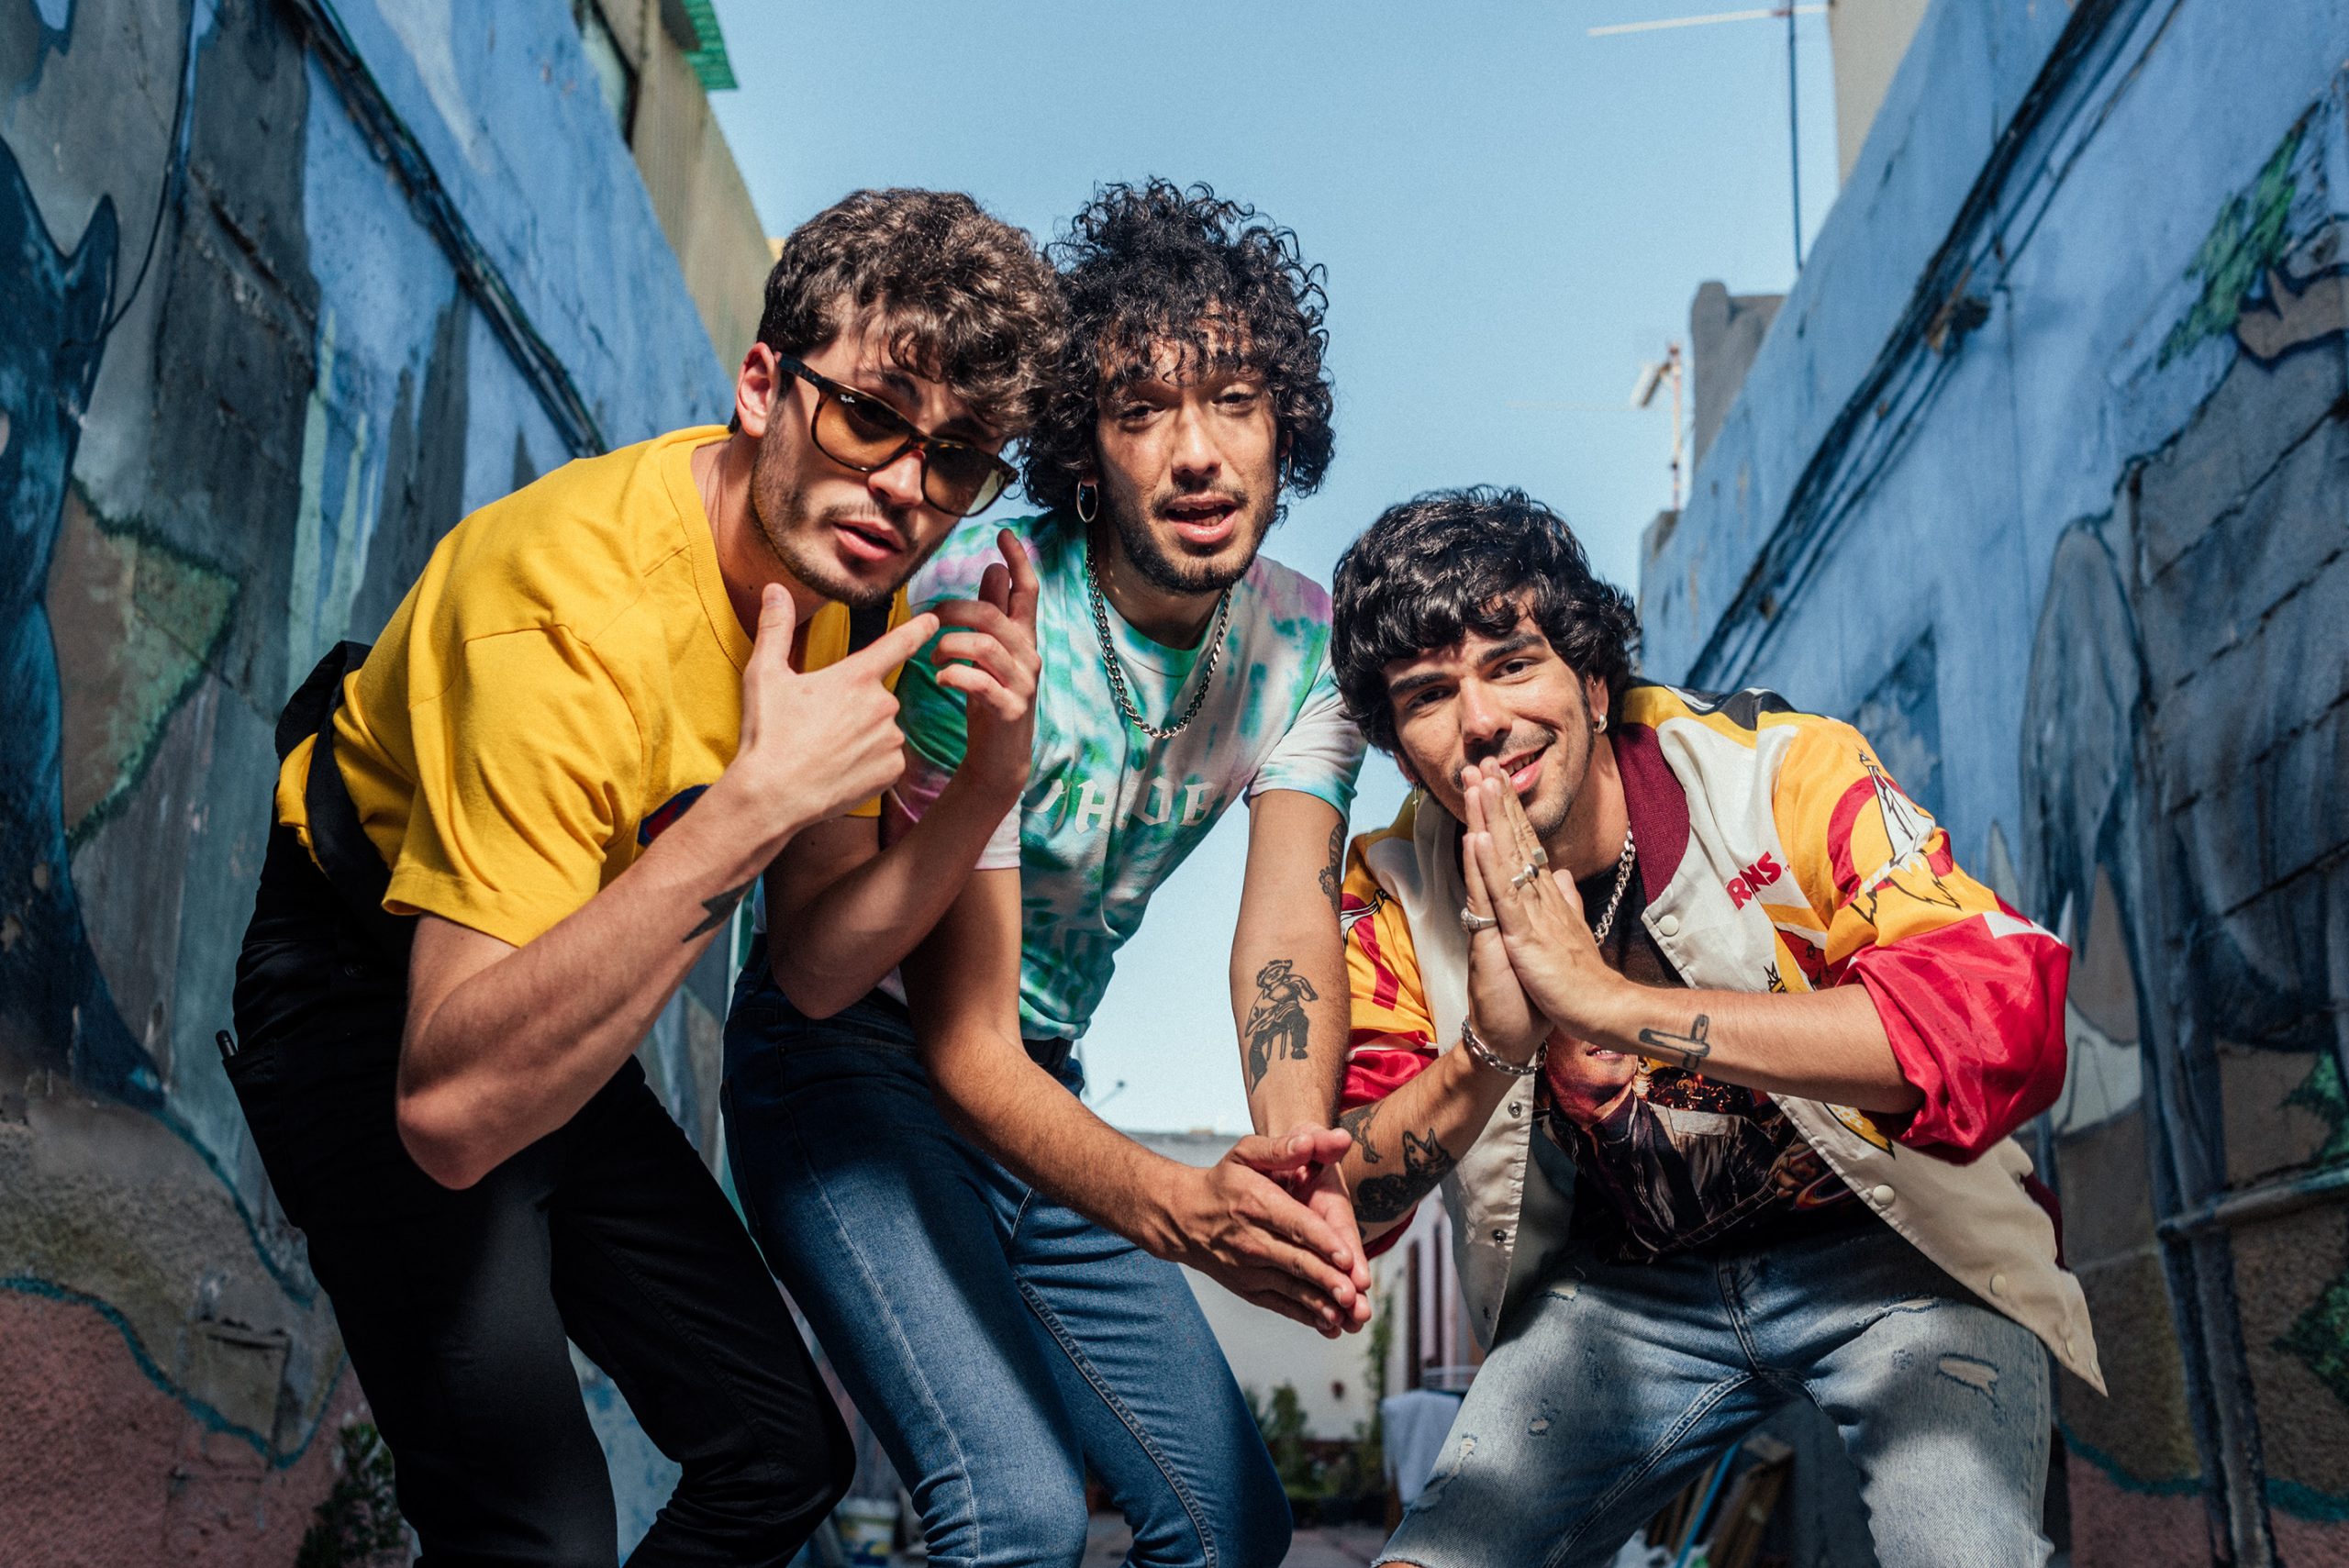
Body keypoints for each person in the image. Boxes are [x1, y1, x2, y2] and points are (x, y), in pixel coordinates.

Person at [226, 188, 1062, 1567]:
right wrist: (749, 811)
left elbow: (816, 960)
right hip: (369, 992)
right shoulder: (565, 613)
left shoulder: (843, 575)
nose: (907, 488)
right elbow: (447, 1109)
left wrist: (984, 782)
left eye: (958, 459)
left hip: (551, 974)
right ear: (761, 386)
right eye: (870, 416)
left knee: (783, 1449)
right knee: (538, 1532)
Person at [722, 181, 1369, 1568]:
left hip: (1041, 1077)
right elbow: (959, 1038)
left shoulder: (1307, 646)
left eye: (1237, 402)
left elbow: (1285, 936)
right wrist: (1182, 1208)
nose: (1197, 454)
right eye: (1144, 412)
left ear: (1285, 427)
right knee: (1011, 1514)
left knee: (1230, 1524)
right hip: (855, 1066)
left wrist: (1293, 1153)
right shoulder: (983, 611)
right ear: (1089, 450)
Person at [1321, 488, 2103, 1568]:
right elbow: (1341, 1198)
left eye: (1511, 662)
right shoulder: (1394, 891)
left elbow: (1994, 1022)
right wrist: (1490, 1046)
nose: (1480, 721)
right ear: (1404, 756)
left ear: (1595, 683)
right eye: (1425, 696)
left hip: (1893, 1255)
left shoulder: (1780, 771)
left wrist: (1611, 1003)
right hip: (1621, 1299)